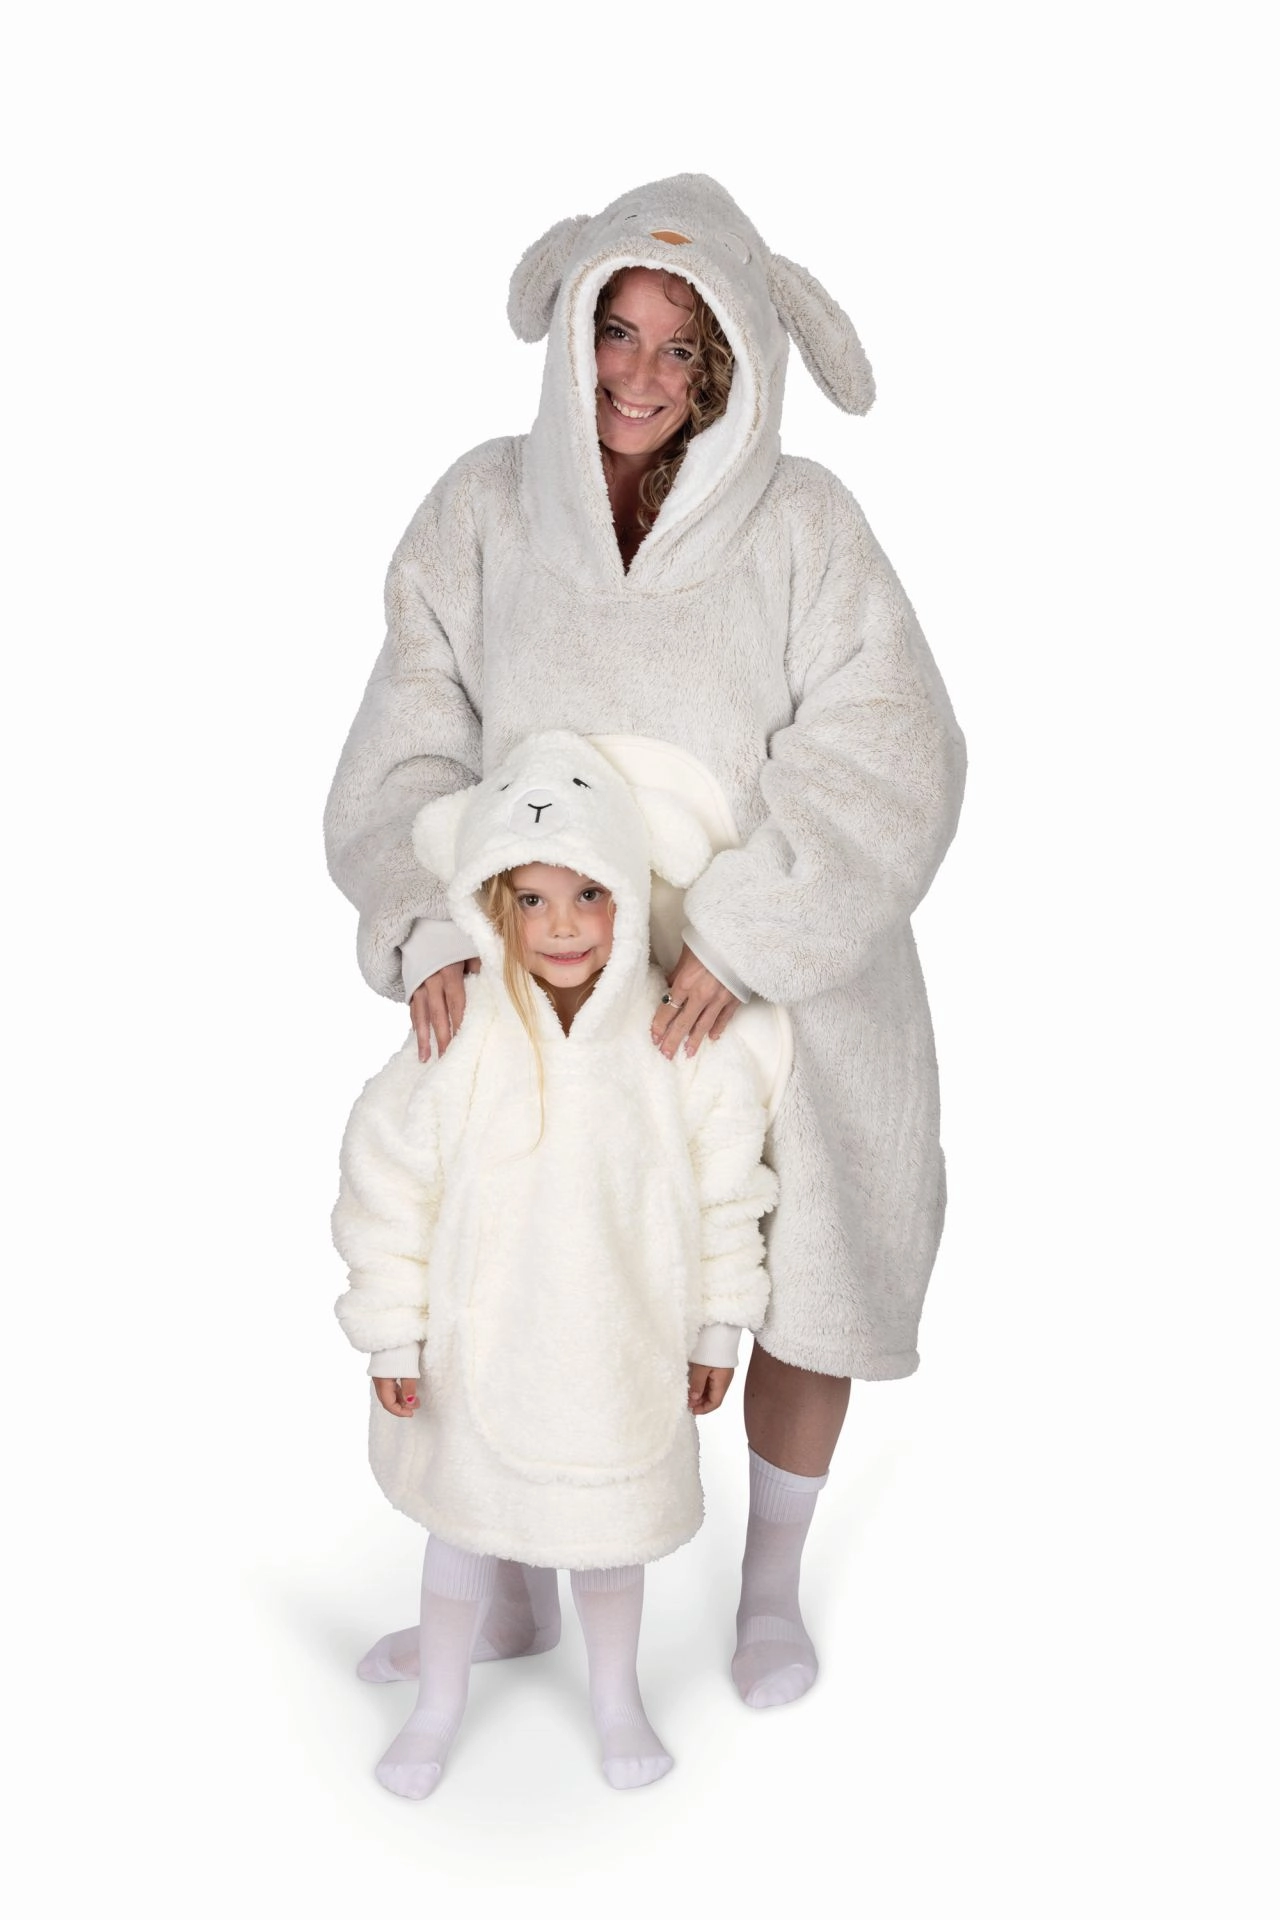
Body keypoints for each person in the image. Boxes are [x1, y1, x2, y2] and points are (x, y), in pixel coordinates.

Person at [325, 172, 966, 1713]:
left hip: (770, 974)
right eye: (618, 331)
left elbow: (890, 745)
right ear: (572, 328)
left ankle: (769, 1587)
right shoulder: (483, 511)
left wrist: (744, 935)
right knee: (509, 1255)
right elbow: (411, 738)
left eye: (684, 348)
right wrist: (430, 924)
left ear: (734, 362)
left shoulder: (806, 527)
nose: (640, 375)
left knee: (802, 1259)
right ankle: (512, 1588)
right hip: (547, 965)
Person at [333, 733, 778, 1796]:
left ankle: (615, 1698)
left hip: (621, 1349)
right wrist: (391, 1331)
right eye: (531, 900)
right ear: (492, 904)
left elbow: (728, 1191)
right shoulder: (461, 1037)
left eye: (588, 893)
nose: (564, 925)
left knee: (607, 1536)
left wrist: (719, 1326)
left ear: (630, 890)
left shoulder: (678, 1045)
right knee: (460, 1529)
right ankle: (439, 1702)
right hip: (478, 1344)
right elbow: (388, 1182)